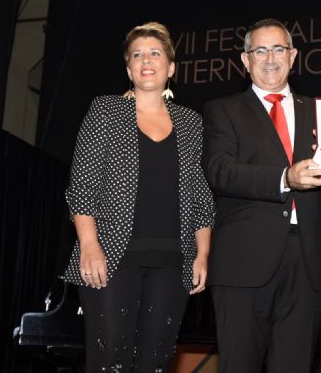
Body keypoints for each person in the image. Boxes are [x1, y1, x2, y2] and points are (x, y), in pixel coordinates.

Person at [60, 21, 215, 372]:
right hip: (112, 256)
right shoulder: (105, 111)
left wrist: (203, 254)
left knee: (156, 363)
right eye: (138, 55)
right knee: (109, 360)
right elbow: (82, 185)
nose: (147, 60)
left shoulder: (191, 123)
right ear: (129, 68)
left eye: (156, 53)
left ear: (171, 68)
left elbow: (201, 194)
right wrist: (89, 245)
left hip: (175, 261)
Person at [202, 18, 321, 373]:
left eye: (278, 49)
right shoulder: (223, 110)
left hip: (307, 262)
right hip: (243, 261)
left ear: (293, 56)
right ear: (245, 61)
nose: (270, 58)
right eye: (260, 50)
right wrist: (285, 176)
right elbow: (219, 172)